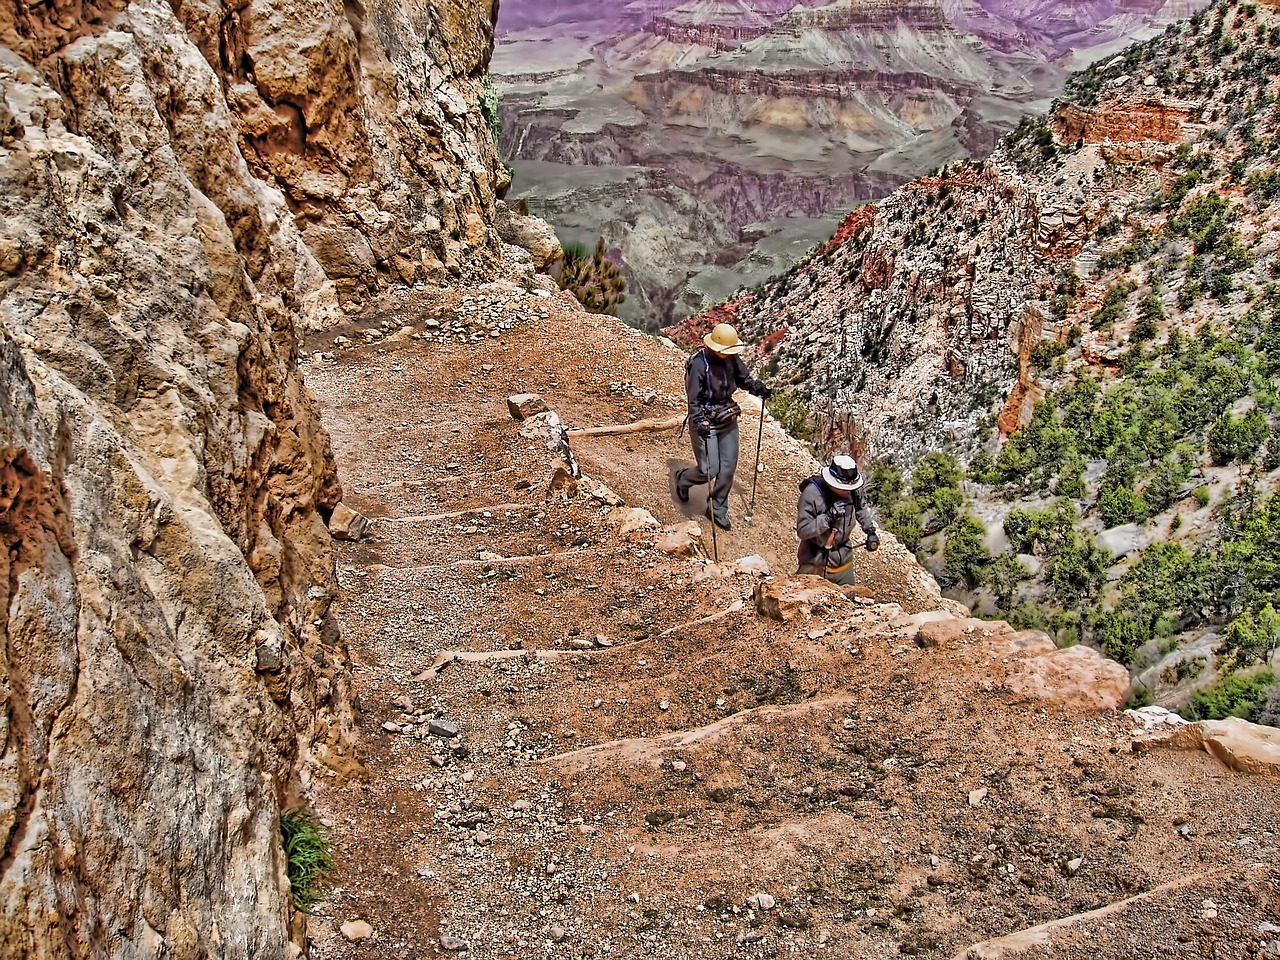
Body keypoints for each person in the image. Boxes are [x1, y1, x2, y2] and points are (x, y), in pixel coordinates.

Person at [674, 323, 770, 530]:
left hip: (726, 418)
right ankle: (682, 479)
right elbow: (693, 401)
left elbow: (743, 380)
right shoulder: (699, 365)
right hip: (706, 421)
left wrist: (756, 387)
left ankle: (716, 508)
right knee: (709, 469)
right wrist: (698, 421)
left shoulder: (732, 359)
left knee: (727, 469)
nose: (728, 354)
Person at [795, 455, 880, 586]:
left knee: (847, 600)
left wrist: (870, 531)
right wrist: (827, 518)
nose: (848, 491)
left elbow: (861, 508)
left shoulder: (854, 490)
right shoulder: (811, 494)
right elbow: (803, 530)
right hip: (814, 561)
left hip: (843, 560)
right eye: (844, 487)